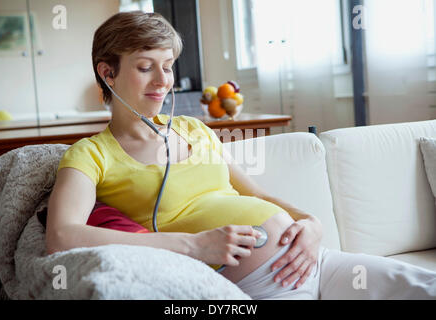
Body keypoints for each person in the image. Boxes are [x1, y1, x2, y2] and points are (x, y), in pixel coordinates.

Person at [46, 11, 436, 299]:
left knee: (425, 286)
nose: (164, 81)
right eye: (146, 67)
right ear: (108, 73)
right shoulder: (91, 155)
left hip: (318, 261)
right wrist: (194, 246)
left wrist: (310, 223)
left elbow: (257, 195)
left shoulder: (194, 129)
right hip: (261, 287)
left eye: (167, 67)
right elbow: (62, 236)